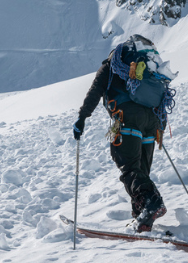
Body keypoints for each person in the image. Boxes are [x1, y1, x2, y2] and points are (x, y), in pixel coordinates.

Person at [72, 35, 175, 232]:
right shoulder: (147, 67)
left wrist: (82, 117)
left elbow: (95, 91)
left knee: (129, 166)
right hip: (152, 122)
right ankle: (142, 215)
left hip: (128, 119)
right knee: (141, 171)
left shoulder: (110, 66)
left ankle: (152, 202)